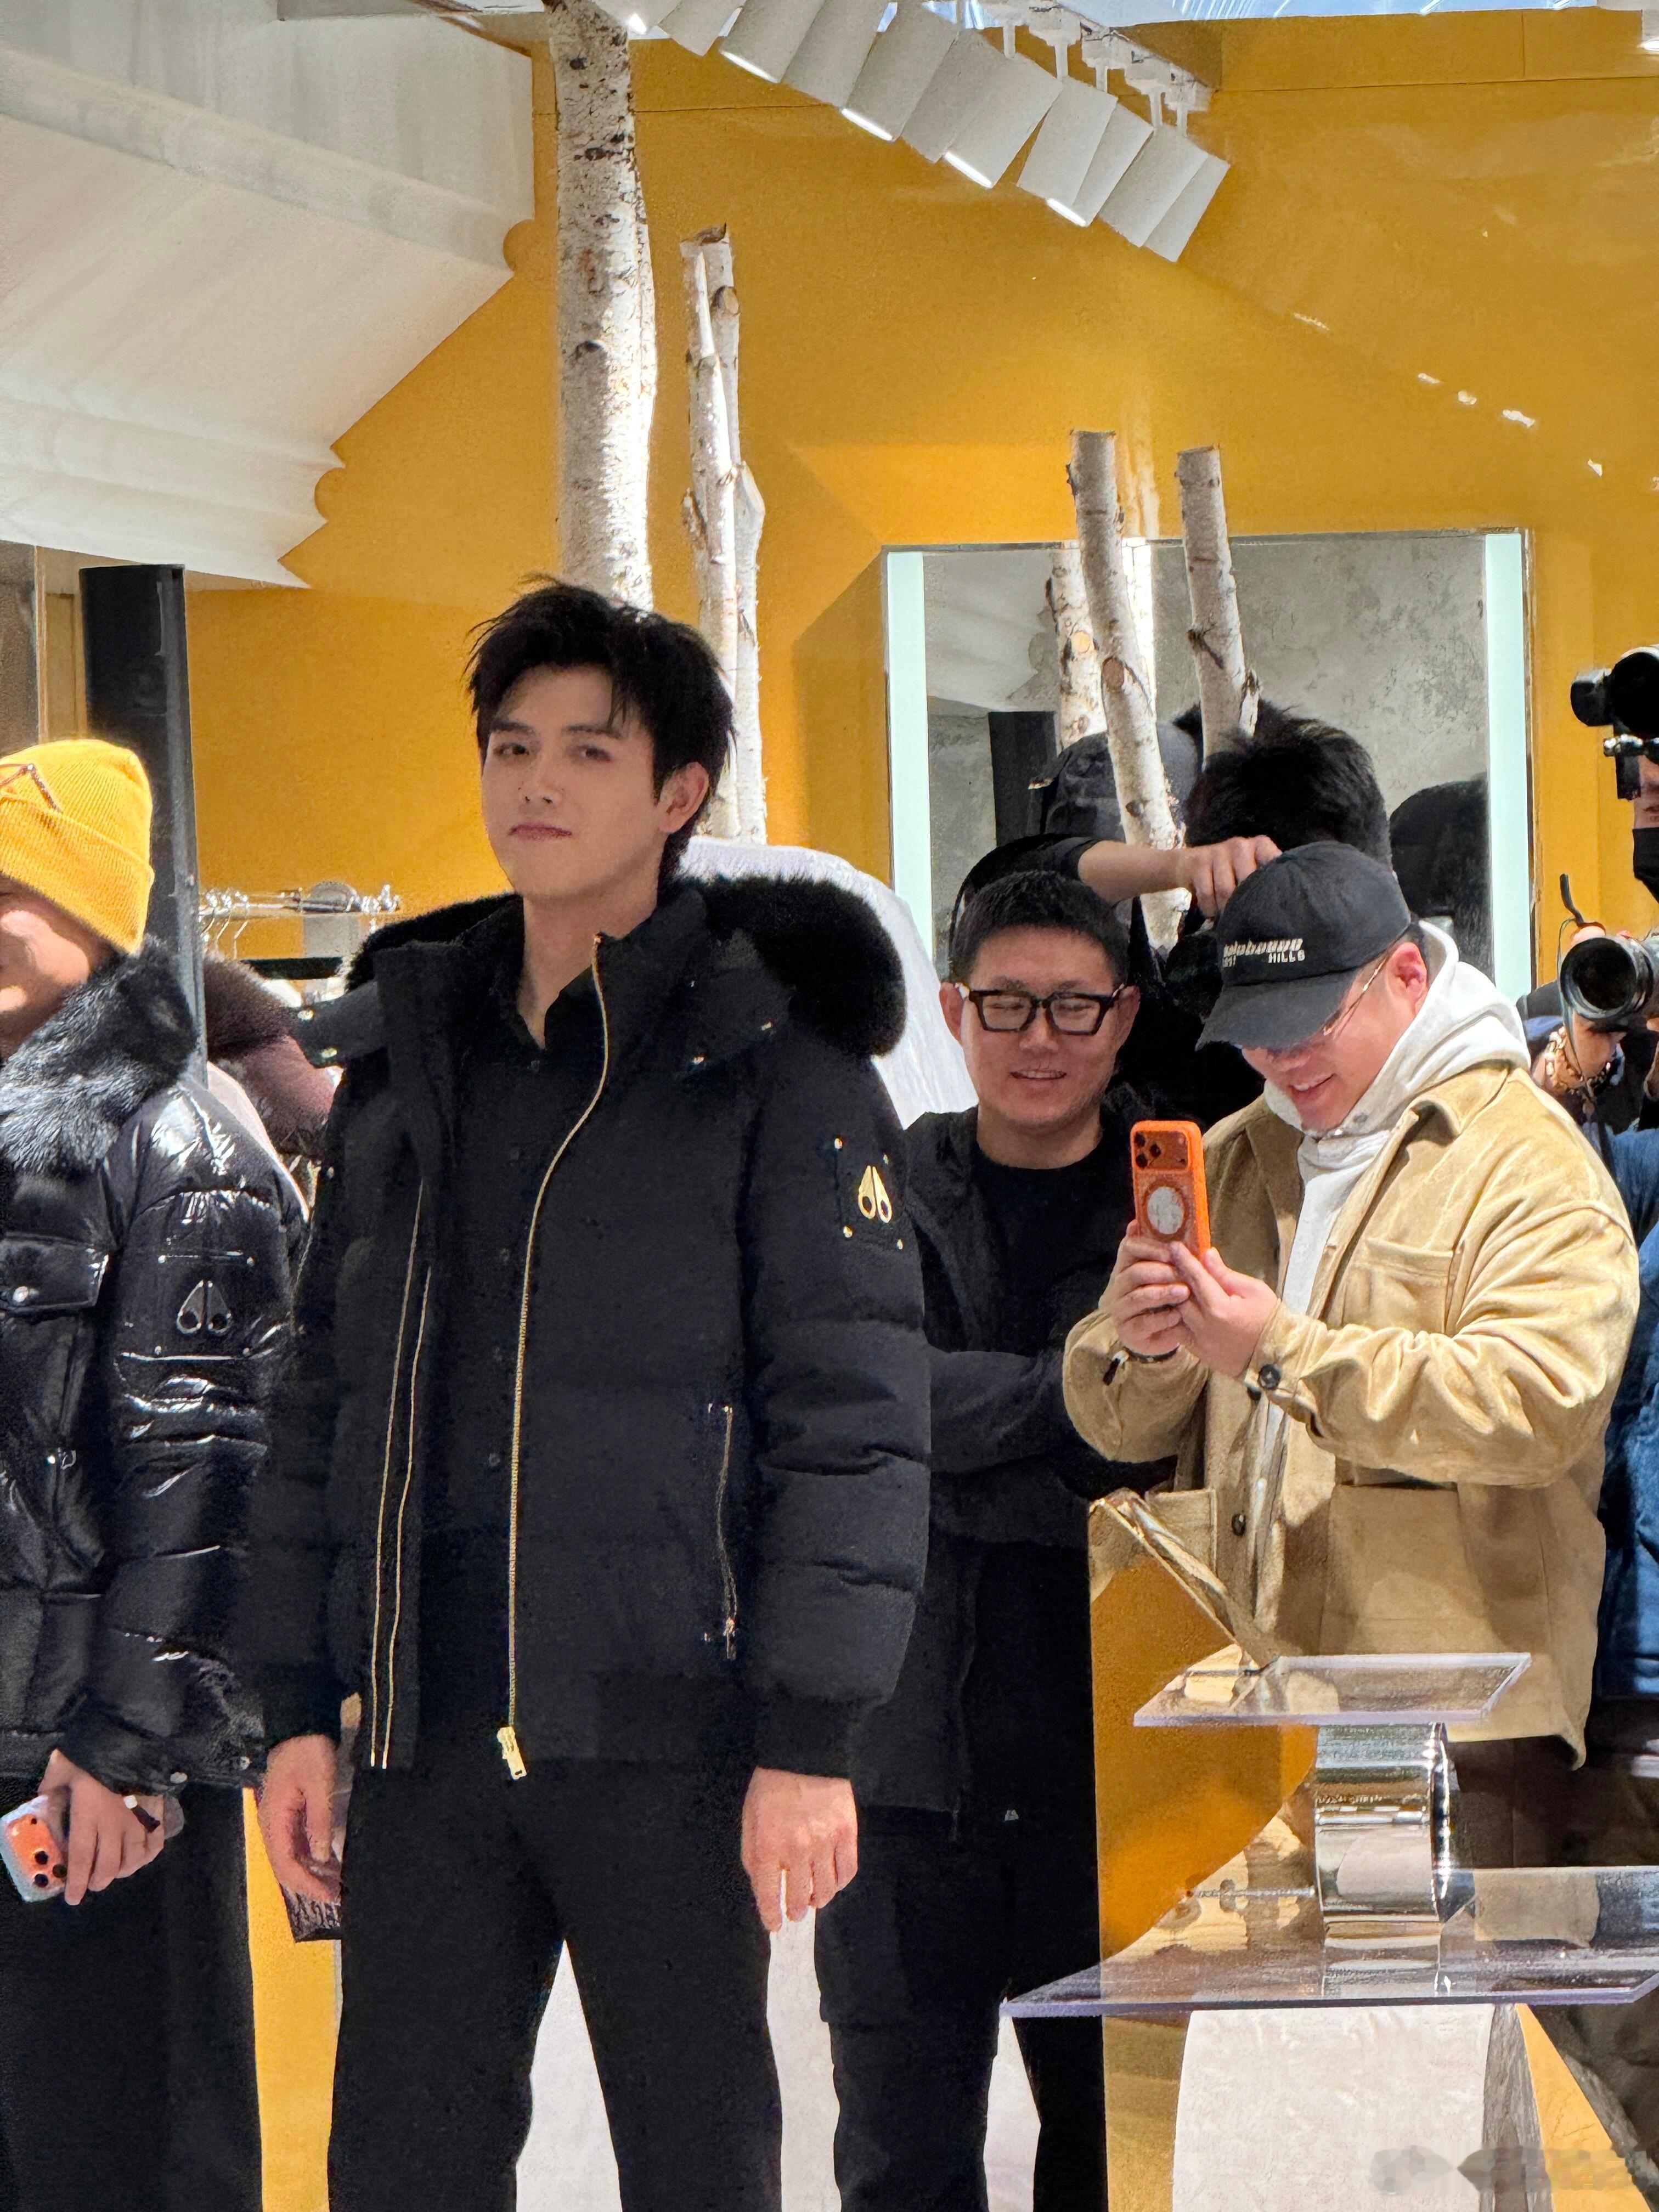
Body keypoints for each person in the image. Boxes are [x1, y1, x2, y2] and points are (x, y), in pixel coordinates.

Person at [241, 581, 930, 2212]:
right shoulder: (414, 1047)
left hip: (672, 1730)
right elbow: (322, 1393)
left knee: (699, 2163)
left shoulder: (778, 1059)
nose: (536, 784)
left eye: (587, 752)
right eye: (511, 747)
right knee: (400, 2168)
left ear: (679, 793)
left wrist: (812, 1737)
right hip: (422, 1727)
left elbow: (851, 1418)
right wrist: (295, 1705)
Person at [1066, 842, 1638, 1855]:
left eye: (1312, 1024)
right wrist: (1147, 1346)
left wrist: (1279, 1351)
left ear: (1408, 975)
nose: (1284, 1061)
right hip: (1241, 1713)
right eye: (1257, 1037)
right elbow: (1111, 1420)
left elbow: (1538, 1403)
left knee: (1440, 1969)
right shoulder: (1238, 1152)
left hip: (1459, 1727)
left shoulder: (1527, 1163)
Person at [817, 870, 1162, 2212]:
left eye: (1075, 1007)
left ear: (1122, 1016)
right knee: (902, 2168)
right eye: (1008, 1004)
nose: (1040, 1038)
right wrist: (1074, 1399)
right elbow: (871, 1407)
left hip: (1120, 1783)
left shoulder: (1175, 1193)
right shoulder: (877, 1183)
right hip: (908, 1781)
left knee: (1116, 2167)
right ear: (956, 1012)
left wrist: (956, 1445)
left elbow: (1161, 1442)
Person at [0, 740, 300, 2212]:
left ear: (93, 912)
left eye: (9, 885)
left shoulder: (173, 1136)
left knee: (127, 2151)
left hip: (93, 1762)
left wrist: (132, 1750)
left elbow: (209, 1476)